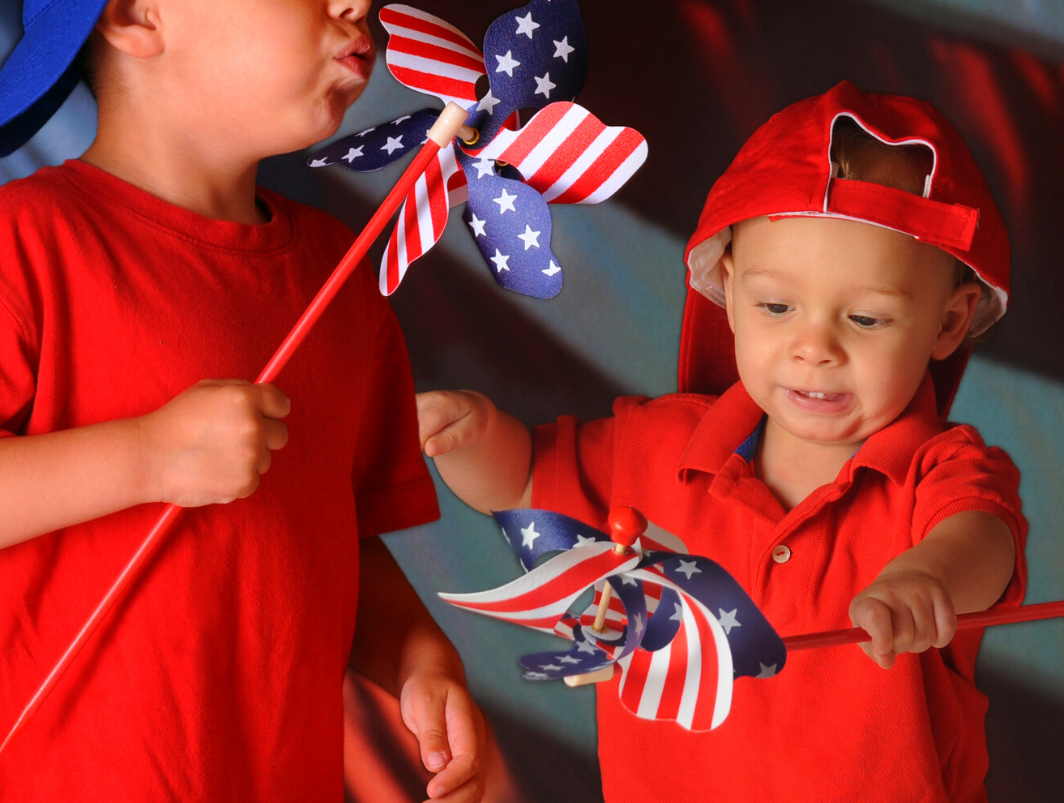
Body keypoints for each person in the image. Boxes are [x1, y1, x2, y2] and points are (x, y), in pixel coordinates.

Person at [0, 0, 483, 802]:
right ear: (129, 7)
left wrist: (413, 655)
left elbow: (327, 541)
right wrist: (145, 456)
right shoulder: (19, 246)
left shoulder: (342, 283)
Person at [420, 81, 1026, 802]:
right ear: (729, 292)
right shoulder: (657, 444)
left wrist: (928, 578)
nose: (814, 348)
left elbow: (983, 538)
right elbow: (522, 483)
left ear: (950, 325)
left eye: (865, 320)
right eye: (777, 307)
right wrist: (473, 439)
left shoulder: (940, 472)